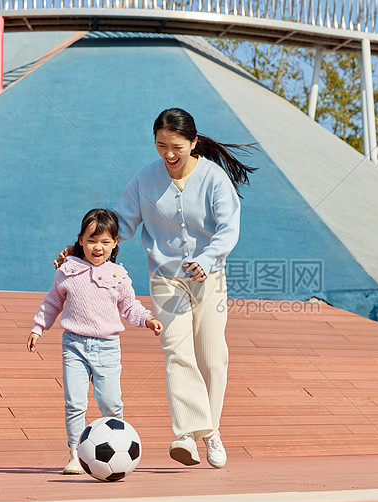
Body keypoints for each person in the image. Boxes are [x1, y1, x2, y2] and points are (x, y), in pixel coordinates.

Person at [57, 108, 256, 468]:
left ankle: (211, 430)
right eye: (161, 145)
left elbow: (229, 228)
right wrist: (77, 250)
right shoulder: (145, 179)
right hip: (166, 278)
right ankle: (189, 436)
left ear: (193, 143)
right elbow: (120, 225)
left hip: (209, 277)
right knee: (177, 352)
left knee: (212, 357)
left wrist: (208, 259)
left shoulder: (213, 179)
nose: (168, 154)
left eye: (176, 146)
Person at [28, 208, 163, 474]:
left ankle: (118, 448)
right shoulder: (68, 271)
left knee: (110, 403)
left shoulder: (118, 276)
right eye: (91, 240)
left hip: (107, 348)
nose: (97, 247)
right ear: (80, 240)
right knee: (75, 402)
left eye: (104, 241)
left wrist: (147, 319)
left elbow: (129, 307)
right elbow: (52, 302)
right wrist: (38, 327)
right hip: (74, 346)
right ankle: (76, 454)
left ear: (114, 243)